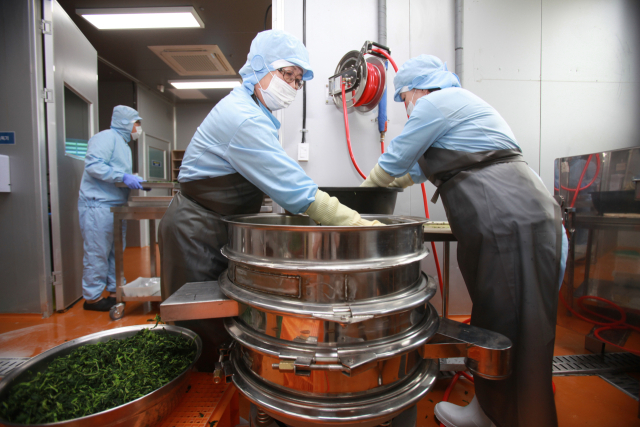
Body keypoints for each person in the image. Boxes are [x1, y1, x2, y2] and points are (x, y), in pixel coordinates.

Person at [361, 55, 567, 427]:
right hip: (517, 212)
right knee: (500, 314)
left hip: (506, 213)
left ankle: (509, 418)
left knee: (511, 322)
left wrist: (354, 208)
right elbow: (410, 172)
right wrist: (390, 181)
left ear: (418, 89)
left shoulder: (436, 103)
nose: (406, 107)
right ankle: (490, 409)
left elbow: (390, 166)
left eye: (404, 98)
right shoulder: (457, 107)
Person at [158, 30, 380, 369]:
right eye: (286, 74)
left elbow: (281, 182)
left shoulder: (258, 113)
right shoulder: (243, 118)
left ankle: (218, 376)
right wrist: (357, 223)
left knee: (218, 321)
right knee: (198, 329)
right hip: (195, 231)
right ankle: (200, 391)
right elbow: (296, 191)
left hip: (215, 226)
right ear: (259, 67)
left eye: (297, 80)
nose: (291, 85)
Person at [78, 106, 145, 312]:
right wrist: (122, 176)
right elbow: (94, 166)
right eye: (137, 123)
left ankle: (116, 290)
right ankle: (93, 298)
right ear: (125, 123)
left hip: (115, 205)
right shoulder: (106, 137)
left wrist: (131, 178)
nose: (138, 128)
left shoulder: (123, 144)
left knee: (116, 251)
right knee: (97, 252)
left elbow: (114, 170)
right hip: (98, 204)